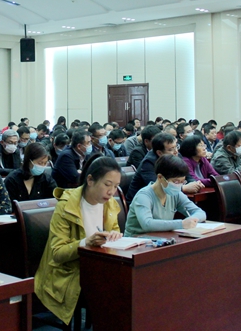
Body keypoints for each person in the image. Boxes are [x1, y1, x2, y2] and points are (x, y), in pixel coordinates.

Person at [34, 157, 122, 326]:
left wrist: (114, 236)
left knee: (131, 284)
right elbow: (57, 253)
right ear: (90, 180)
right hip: (69, 272)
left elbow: (115, 231)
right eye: (107, 184)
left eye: (116, 186)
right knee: (115, 290)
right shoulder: (66, 205)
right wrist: (86, 243)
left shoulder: (109, 204)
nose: (112, 192)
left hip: (98, 266)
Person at [125, 154, 207, 236]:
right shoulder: (143, 196)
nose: (179, 185)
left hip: (162, 238)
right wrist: (181, 224)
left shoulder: (175, 194)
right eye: (176, 181)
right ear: (160, 177)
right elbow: (147, 224)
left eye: (182, 182)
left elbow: (200, 212)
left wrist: (192, 220)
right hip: (137, 240)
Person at [126, 132, 201, 203]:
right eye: (171, 149)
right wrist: (183, 188)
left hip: (167, 197)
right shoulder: (148, 163)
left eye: (176, 147)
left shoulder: (176, 155)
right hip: (141, 201)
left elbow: (187, 174)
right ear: (159, 153)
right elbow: (156, 187)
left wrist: (194, 183)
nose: (176, 151)